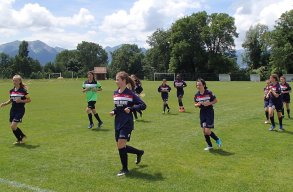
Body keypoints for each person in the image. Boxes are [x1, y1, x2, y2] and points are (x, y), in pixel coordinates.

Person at [110, 71, 146, 176]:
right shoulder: (115, 93)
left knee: (121, 145)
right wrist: (114, 111)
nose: (116, 81)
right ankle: (139, 152)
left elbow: (143, 105)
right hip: (117, 122)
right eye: (116, 79)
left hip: (127, 122)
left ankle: (125, 169)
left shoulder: (130, 94)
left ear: (124, 81)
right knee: (121, 146)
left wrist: (131, 108)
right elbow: (118, 107)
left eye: (118, 79)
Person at [1, 75, 31, 144]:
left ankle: (22, 136)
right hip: (13, 110)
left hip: (20, 110)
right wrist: (4, 103)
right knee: (12, 127)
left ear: (19, 81)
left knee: (13, 125)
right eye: (13, 80)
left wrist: (21, 101)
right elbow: (11, 100)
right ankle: (20, 139)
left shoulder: (23, 91)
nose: (14, 82)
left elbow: (29, 100)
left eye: (16, 80)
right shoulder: (11, 91)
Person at [194, 79, 222, 151]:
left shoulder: (209, 93)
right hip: (202, 112)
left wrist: (208, 103)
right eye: (197, 85)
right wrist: (198, 104)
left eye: (200, 85)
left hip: (209, 112)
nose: (198, 86)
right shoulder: (197, 95)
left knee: (207, 130)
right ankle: (209, 145)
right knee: (204, 130)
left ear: (204, 85)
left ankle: (217, 139)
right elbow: (195, 104)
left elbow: (215, 100)